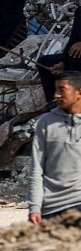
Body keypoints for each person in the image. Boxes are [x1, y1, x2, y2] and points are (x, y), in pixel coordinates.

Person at [28, 71, 81, 224]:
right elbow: (36, 169)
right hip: (51, 208)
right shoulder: (46, 123)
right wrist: (35, 207)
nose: (56, 95)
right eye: (55, 89)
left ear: (79, 92)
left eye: (62, 90)